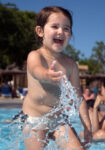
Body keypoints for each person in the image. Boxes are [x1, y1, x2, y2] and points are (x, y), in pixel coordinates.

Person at [21, 6, 91, 150]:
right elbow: (35, 70)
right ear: (40, 31)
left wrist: (87, 125)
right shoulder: (35, 55)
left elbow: (79, 98)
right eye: (55, 26)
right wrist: (46, 75)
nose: (61, 32)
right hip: (34, 120)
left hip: (59, 121)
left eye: (66, 28)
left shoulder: (71, 64)